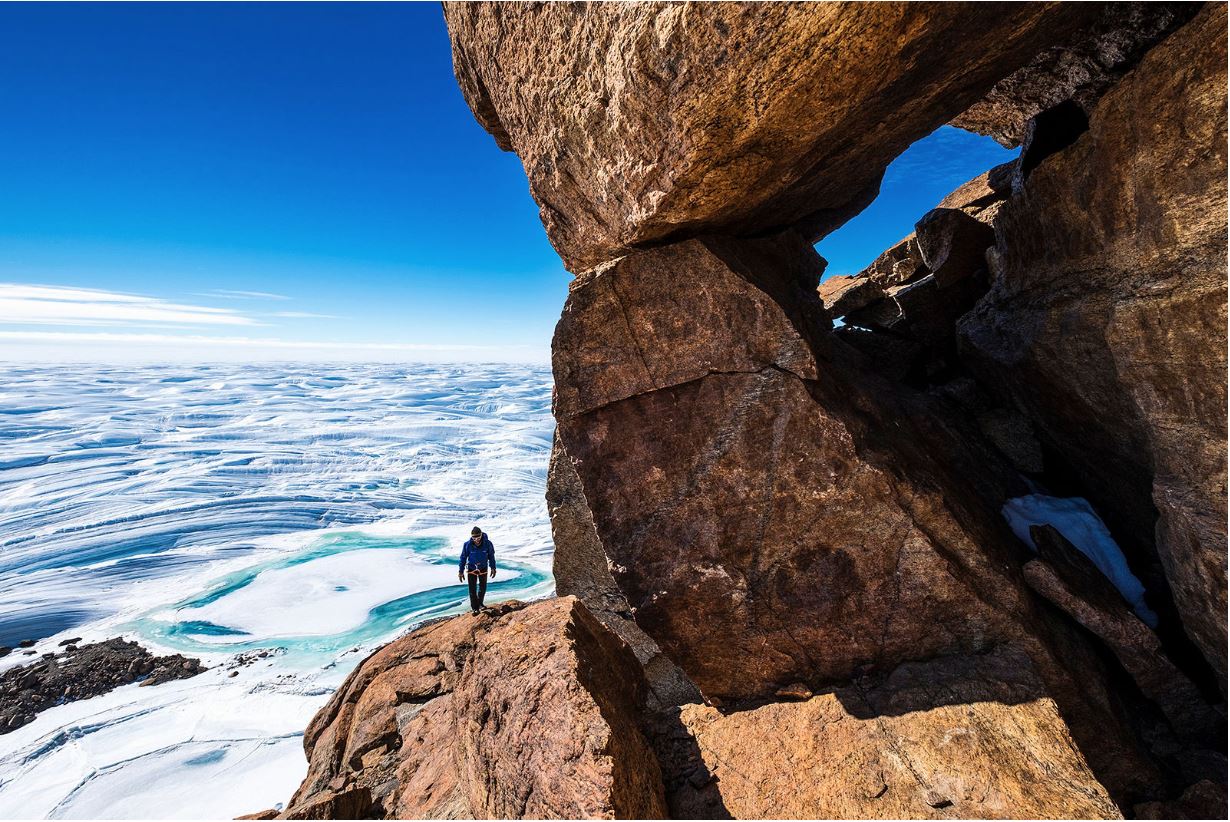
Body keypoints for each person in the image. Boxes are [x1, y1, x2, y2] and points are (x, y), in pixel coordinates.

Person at [458, 526, 496, 615]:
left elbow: (491, 556)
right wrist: (460, 571)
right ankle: (475, 608)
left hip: (483, 568)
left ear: (481, 535)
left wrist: (493, 567)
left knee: (483, 588)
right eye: (474, 538)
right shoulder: (467, 545)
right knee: (472, 589)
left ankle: (480, 603)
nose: (476, 540)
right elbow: (463, 558)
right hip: (472, 568)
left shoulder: (488, 544)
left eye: (478, 537)